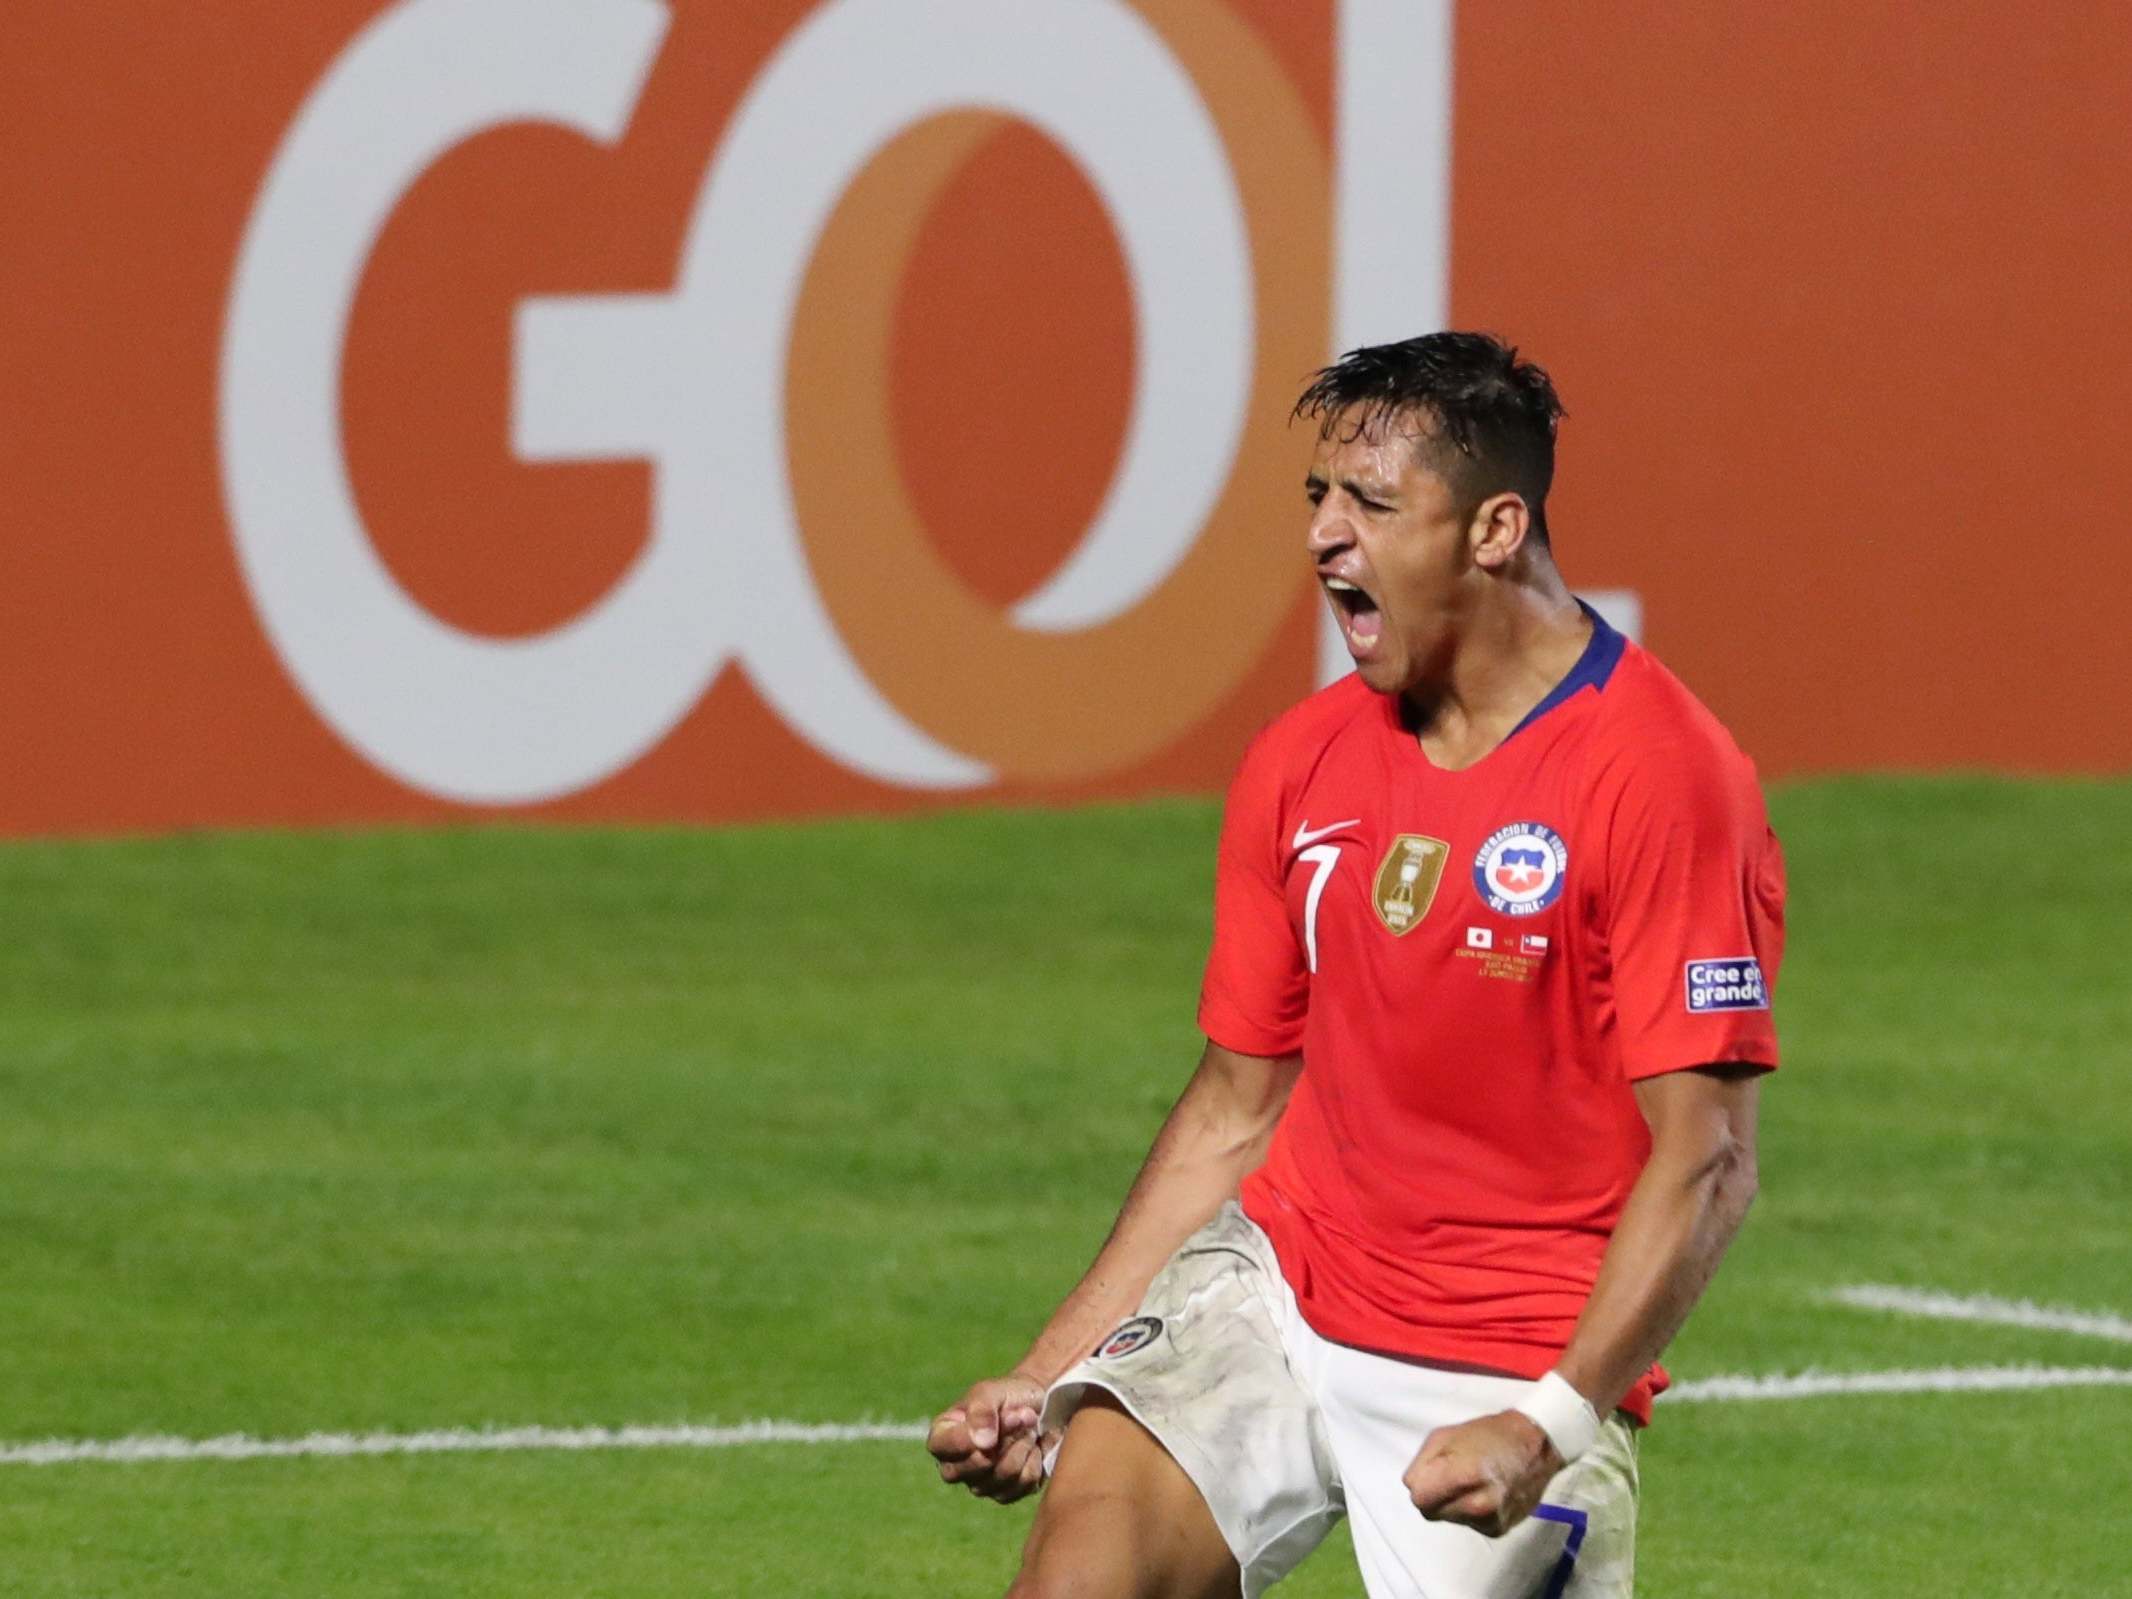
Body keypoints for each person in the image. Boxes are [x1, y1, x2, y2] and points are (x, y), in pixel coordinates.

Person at [928, 332, 1784, 1598]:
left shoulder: (1658, 776)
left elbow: (1706, 1159)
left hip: (1503, 1359)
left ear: (1494, 529)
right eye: (1316, 499)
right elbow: (1235, 1108)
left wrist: (1547, 1422)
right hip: (1281, 1282)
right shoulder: (1304, 761)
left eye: (1371, 503)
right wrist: (1045, 1377)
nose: (1325, 536)